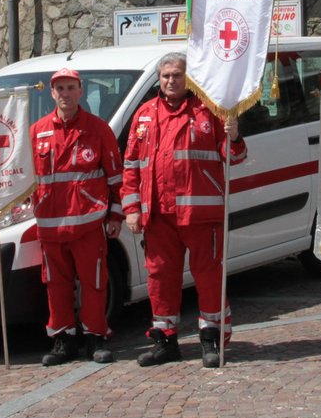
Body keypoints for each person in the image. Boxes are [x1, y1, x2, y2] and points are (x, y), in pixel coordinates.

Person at [121, 52, 246, 368]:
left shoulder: (209, 111)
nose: (170, 81)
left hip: (200, 215)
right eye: (165, 76)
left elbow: (233, 157)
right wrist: (132, 208)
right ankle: (165, 341)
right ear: (158, 80)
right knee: (160, 279)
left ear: (188, 78)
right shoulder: (145, 114)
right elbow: (132, 166)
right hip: (158, 216)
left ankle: (211, 340)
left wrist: (234, 136)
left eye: (176, 75)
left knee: (208, 277)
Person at [30, 67, 124, 366]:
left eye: (71, 88)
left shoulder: (98, 130)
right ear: (51, 92)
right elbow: (27, 178)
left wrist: (116, 216)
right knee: (55, 285)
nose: (65, 94)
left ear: (80, 91)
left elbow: (115, 179)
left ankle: (96, 337)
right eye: (60, 89)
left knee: (94, 282)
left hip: (88, 224)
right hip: (50, 228)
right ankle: (63, 340)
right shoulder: (37, 132)